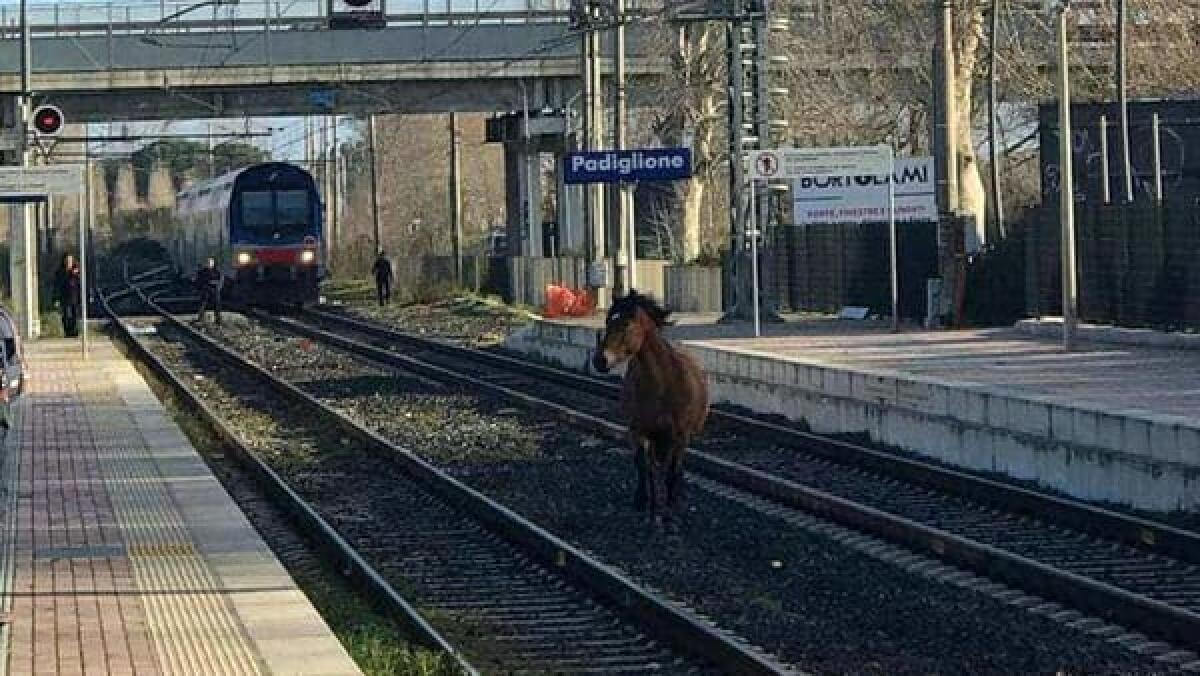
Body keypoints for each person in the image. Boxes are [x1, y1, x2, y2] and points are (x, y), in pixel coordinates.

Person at [53, 254, 82, 338]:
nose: (68, 262)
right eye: (67, 260)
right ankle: (67, 332)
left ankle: (75, 331)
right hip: (64, 296)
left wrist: (75, 274)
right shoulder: (60, 272)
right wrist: (56, 298)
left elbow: (80, 284)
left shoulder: (76, 271)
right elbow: (57, 285)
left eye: (70, 261)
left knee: (75, 314)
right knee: (65, 314)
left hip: (74, 296)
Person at [195, 257, 223, 325]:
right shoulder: (203, 272)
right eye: (209, 262)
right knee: (203, 303)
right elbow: (200, 280)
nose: (210, 264)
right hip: (206, 289)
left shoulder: (217, 272)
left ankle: (218, 319)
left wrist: (217, 287)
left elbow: (220, 280)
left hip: (214, 290)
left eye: (212, 262)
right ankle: (200, 317)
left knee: (216, 304)